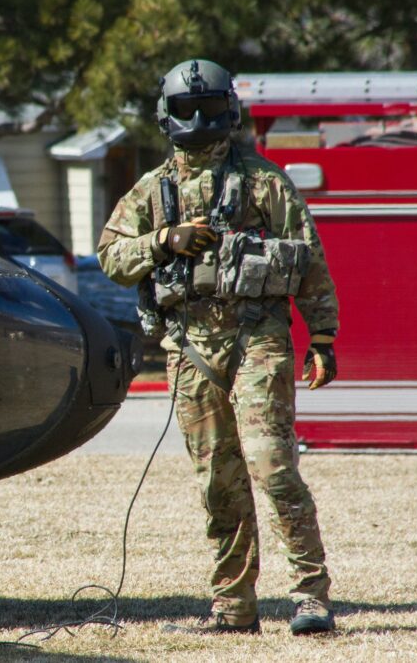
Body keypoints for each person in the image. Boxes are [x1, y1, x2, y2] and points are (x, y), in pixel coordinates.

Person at [97, 59, 339, 636]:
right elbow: (110, 255)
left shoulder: (263, 182)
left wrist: (322, 337)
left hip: (258, 341)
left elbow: (309, 262)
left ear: (229, 109)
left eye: (208, 106)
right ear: (167, 115)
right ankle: (234, 608)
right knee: (217, 482)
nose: (199, 118)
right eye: (186, 108)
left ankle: (311, 596)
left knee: (271, 466)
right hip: (191, 350)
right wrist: (164, 240)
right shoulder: (152, 191)